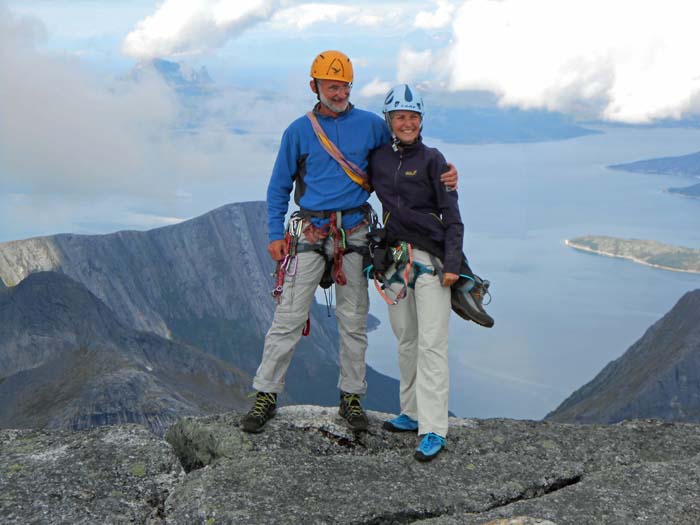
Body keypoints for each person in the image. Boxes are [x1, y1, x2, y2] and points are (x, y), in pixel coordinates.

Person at [241, 51, 458, 434]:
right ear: (315, 87)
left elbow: (406, 146)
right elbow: (279, 186)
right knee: (288, 317)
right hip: (311, 230)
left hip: (354, 231)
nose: (339, 93)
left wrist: (445, 173)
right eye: (331, 86)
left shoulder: (373, 126)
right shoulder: (298, 131)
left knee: (353, 320)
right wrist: (275, 233)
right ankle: (265, 393)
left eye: (343, 86)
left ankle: (352, 396)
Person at [368, 84, 462, 461]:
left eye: (412, 117)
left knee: (432, 344)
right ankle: (411, 412)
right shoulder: (378, 159)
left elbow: (453, 218)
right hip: (395, 261)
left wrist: (453, 265)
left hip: (432, 263)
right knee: (406, 340)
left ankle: (434, 427)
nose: (406, 123)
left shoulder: (434, 161)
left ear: (421, 121)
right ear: (389, 121)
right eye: (399, 117)